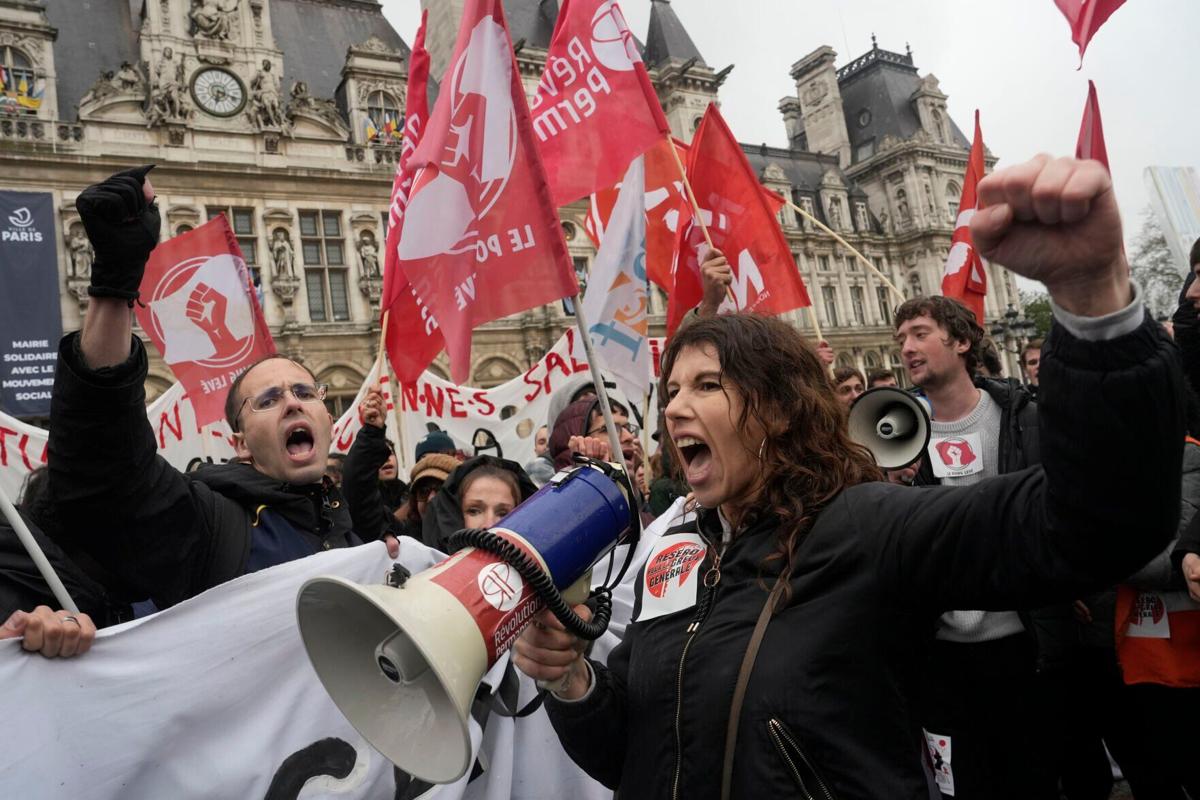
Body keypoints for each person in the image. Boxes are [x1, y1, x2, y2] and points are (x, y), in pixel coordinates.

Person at [514, 155, 1182, 798]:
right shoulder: (673, 553)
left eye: (709, 384)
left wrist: (1094, 305)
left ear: (778, 410)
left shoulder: (866, 526)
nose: (677, 406)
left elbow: (1095, 521)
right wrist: (574, 683)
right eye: (675, 389)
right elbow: (631, 755)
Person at [45, 166, 396, 612]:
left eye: (305, 393)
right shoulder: (213, 525)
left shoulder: (351, 529)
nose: (291, 402)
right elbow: (105, 472)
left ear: (328, 417)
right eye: (268, 400)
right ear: (240, 443)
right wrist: (114, 284)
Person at [894, 293, 1048, 797]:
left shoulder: (1024, 421)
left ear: (961, 341)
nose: (907, 348)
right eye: (900, 340)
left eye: (920, 334)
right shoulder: (895, 440)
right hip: (941, 657)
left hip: (1026, 644)